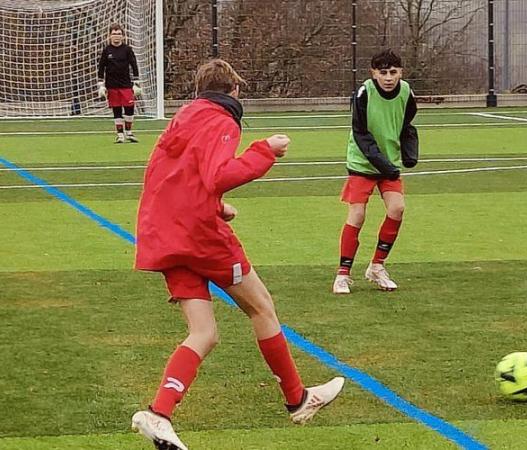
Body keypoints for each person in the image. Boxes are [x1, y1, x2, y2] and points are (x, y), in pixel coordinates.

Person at [131, 59, 344, 450]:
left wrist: (213, 206)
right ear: (234, 91)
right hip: (199, 237)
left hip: (163, 234)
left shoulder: (182, 118)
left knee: (204, 333)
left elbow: (173, 178)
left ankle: (158, 415)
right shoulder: (222, 120)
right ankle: (297, 399)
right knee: (261, 307)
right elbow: (218, 175)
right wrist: (265, 150)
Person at [332, 49, 419, 295]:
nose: (389, 78)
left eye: (393, 72)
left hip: (389, 164)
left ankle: (377, 266)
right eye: (383, 73)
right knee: (357, 215)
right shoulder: (364, 94)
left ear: (401, 72)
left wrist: (409, 153)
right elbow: (360, 134)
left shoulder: (406, 92)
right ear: (373, 73)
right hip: (362, 163)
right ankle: (342, 274)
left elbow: (406, 124)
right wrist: (383, 164)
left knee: (397, 209)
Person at [97, 23, 141, 144]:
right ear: (109, 36)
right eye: (114, 34)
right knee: (116, 109)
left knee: (129, 107)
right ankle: (120, 135)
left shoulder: (127, 50)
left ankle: (129, 132)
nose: (116, 36)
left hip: (126, 84)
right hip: (111, 85)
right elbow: (101, 67)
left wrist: (136, 81)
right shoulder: (107, 51)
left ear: (123, 36)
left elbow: (134, 64)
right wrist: (101, 84)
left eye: (119, 34)